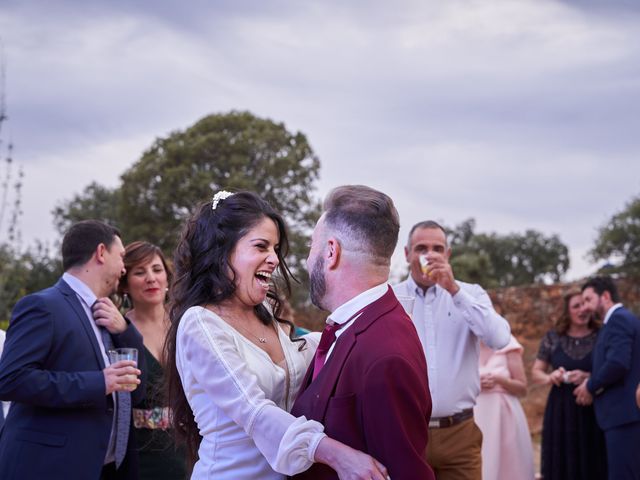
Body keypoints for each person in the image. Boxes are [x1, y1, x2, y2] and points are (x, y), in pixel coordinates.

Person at [165, 190, 388, 479]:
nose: (273, 258)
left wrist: (369, 329)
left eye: (275, 248)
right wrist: (338, 455)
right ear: (221, 251)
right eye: (261, 246)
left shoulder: (266, 311)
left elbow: (309, 349)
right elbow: (254, 411)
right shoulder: (200, 324)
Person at [291, 185, 435, 480]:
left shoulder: (385, 355)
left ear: (331, 251)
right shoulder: (357, 326)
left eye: (311, 246)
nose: (308, 260)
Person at [0, 220, 145, 479]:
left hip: (106, 469)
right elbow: (11, 379)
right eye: (121, 257)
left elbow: (139, 389)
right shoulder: (42, 306)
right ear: (101, 253)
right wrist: (98, 382)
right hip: (51, 468)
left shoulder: (109, 313)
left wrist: (124, 330)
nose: (124, 268)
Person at [393, 220, 510, 480]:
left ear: (448, 254)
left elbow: (500, 338)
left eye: (437, 248)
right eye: (421, 248)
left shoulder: (471, 294)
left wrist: (453, 289)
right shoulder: (391, 297)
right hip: (408, 431)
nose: (429, 255)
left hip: (460, 432)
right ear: (407, 254)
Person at [118, 241, 186, 479]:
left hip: (191, 447)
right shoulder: (117, 331)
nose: (150, 278)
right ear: (125, 284)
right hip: (140, 453)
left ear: (167, 278)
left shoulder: (186, 324)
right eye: (140, 272)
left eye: (157, 270)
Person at [530, 289, 606, 480]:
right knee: (562, 457)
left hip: (594, 405)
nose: (583, 310)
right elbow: (536, 372)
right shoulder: (553, 337)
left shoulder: (602, 334)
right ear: (567, 311)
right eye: (576, 306)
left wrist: (590, 376)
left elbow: (611, 368)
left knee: (594, 457)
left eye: (585, 305)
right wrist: (551, 376)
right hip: (561, 408)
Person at [574, 276, 640, 480]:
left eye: (588, 299)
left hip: (624, 415)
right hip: (622, 415)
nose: (585, 307)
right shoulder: (614, 322)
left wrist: (590, 386)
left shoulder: (618, 319)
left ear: (605, 296)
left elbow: (618, 363)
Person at [475, 335, 534, 480]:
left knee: (508, 465)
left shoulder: (507, 343)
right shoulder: (465, 344)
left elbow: (522, 388)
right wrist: (475, 384)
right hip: (475, 416)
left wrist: (500, 380)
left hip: (504, 416)